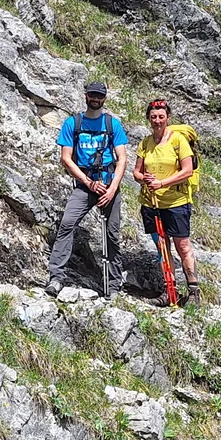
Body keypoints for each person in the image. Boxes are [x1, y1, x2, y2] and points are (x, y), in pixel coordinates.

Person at [46, 79, 129, 297]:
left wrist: (112, 189)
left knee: (112, 235)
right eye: (92, 95)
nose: (95, 99)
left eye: (99, 96)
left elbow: (122, 159)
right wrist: (87, 181)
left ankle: (113, 286)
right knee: (67, 224)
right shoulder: (72, 123)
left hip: (109, 185)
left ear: (104, 98)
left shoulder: (113, 125)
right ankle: (56, 277)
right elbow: (66, 158)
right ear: (86, 96)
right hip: (85, 186)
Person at [134, 97, 197, 306]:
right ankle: (169, 290)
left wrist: (162, 183)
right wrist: (146, 179)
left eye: (161, 117)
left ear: (168, 118)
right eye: (153, 117)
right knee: (162, 246)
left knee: (182, 246)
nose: (157, 121)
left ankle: (193, 290)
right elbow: (136, 172)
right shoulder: (145, 143)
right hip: (151, 203)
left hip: (176, 202)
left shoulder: (178, 140)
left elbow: (187, 171)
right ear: (149, 119)